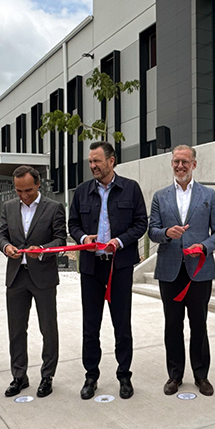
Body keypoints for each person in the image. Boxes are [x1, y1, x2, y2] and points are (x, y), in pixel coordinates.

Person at [68, 141, 148, 400]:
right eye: (90, 161)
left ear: (111, 161)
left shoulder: (130, 189)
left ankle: (124, 376)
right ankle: (91, 376)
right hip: (91, 268)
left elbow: (141, 223)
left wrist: (120, 242)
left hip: (119, 267)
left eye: (97, 161)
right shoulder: (82, 191)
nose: (93, 166)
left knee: (122, 324)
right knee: (90, 325)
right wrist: (83, 239)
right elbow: (73, 224)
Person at [148, 145, 215, 396]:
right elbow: (152, 231)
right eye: (176, 162)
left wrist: (203, 247)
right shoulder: (160, 196)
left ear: (194, 164)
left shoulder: (208, 195)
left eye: (184, 162)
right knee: (172, 324)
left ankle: (201, 375)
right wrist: (166, 233)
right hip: (170, 270)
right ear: (171, 163)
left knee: (199, 324)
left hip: (199, 270)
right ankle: (175, 375)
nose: (180, 166)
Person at [0, 165, 67, 398]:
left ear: (38, 184)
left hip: (43, 276)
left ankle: (47, 376)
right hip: (16, 276)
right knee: (16, 329)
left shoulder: (54, 207)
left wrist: (43, 249)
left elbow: (60, 239)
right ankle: (19, 376)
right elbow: (1, 234)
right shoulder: (8, 207)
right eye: (19, 191)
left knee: (48, 328)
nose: (24, 195)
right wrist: (6, 246)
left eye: (28, 190)